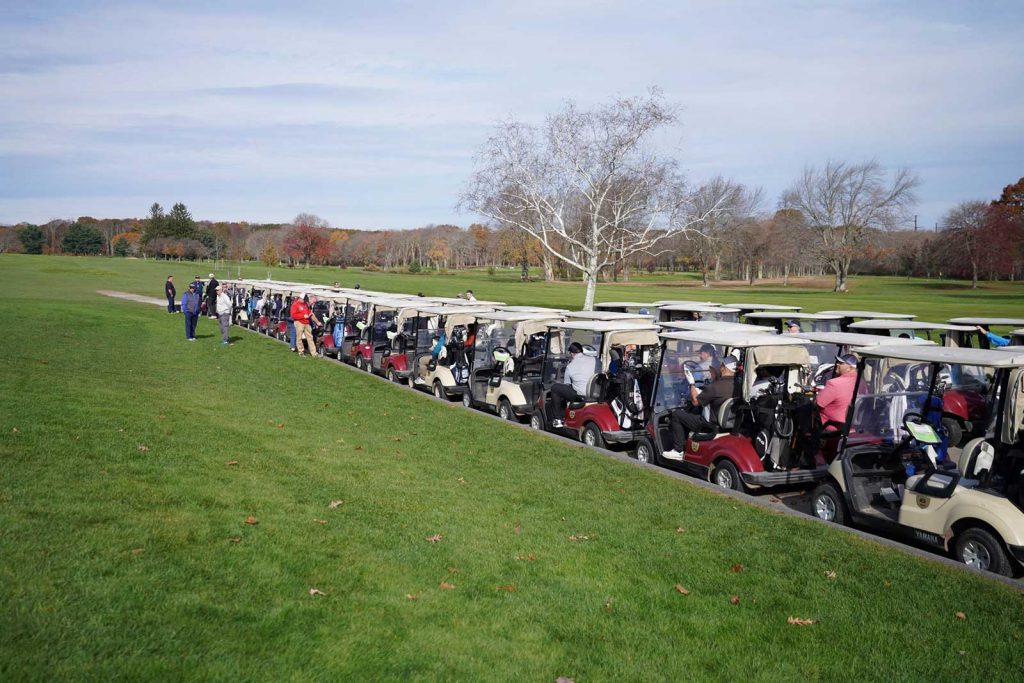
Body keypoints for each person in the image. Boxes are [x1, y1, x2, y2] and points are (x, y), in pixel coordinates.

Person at [665, 355, 740, 457]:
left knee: (677, 415)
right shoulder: (739, 385)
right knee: (694, 412)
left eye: (721, 365)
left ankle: (678, 450)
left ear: (723, 367)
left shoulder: (715, 387)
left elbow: (695, 401)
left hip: (708, 424)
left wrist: (691, 383)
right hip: (729, 423)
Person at [549, 342, 599, 428]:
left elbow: (567, 384)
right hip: (596, 392)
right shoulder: (596, 360)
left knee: (555, 388)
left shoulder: (570, 366)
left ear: (572, 353)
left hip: (581, 395)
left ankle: (558, 419)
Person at [816, 353, 858, 425]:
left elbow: (818, 404)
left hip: (830, 425)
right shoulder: (861, 382)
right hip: (851, 425)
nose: (837, 364)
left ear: (850, 368)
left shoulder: (834, 383)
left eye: (841, 363)